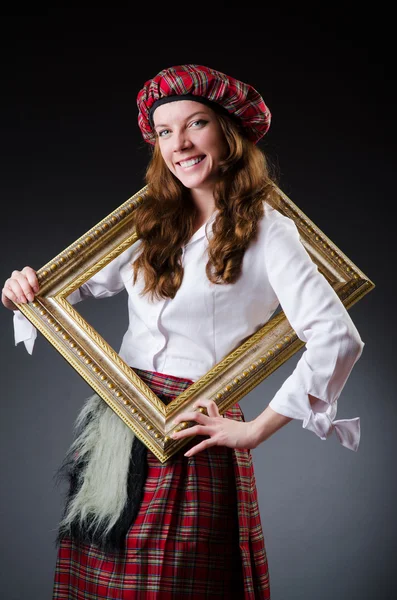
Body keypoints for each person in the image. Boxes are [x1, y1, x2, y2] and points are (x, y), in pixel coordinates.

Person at [2, 64, 364, 599]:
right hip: (116, 427)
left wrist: (255, 430)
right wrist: (28, 287)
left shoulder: (269, 229)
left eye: (196, 124)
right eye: (166, 132)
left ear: (228, 134)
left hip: (195, 431)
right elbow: (67, 288)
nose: (181, 143)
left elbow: (337, 336)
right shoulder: (147, 221)